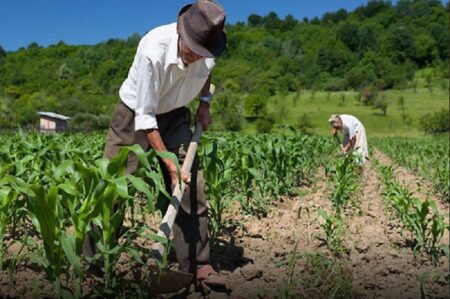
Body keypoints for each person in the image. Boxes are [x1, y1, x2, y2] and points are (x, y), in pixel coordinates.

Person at [83, 0, 227, 287]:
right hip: (135, 114)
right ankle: (92, 263)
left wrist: (205, 104)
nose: (196, 58)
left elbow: (207, 74)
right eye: (191, 51)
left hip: (175, 114)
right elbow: (145, 118)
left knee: (191, 186)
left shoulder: (207, 50)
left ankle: (199, 265)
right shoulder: (153, 49)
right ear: (179, 31)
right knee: (113, 186)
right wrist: (169, 164)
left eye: (202, 53)